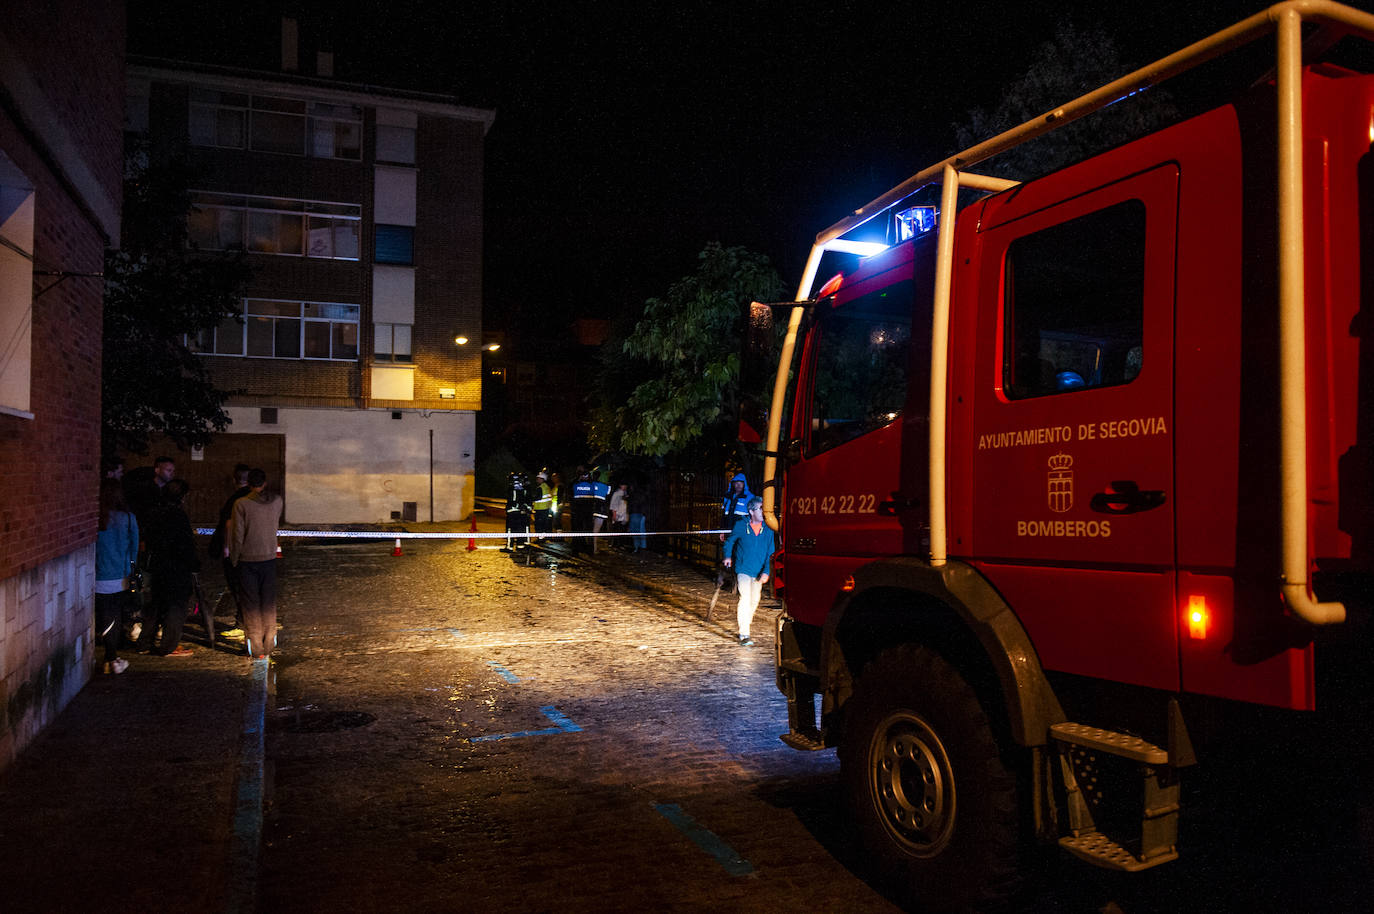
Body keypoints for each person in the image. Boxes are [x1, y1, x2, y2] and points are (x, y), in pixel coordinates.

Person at [136, 477, 199, 657]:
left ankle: (144, 642)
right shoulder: (179, 516)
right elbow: (186, 544)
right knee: (175, 607)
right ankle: (168, 646)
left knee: (155, 605)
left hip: (157, 565)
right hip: (176, 567)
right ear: (182, 497)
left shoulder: (154, 513)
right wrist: (194, 564)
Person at [229, 468, 284, 660]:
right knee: (268, 602)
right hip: (269, 557)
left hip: (247, 559)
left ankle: (255, 646)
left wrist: (234, 558)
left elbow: (237, 535)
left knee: (250, 604)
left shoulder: (241, 504)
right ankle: (270, 641)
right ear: (265, 482)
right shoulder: (277, 501)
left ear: (249, 484)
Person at [94, 478, 138, 674]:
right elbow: (134, 548)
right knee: (114, 615)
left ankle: (109, 657)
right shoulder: (128, 518)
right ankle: (112, 658)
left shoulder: (97, 518)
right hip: (120, 574)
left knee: (103, 614)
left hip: (98, 573)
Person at [722, 496, 775, 646]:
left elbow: (770, 552)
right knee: (745, 598)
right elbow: (730, 541)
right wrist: (727, 556)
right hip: (743, 568)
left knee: (754, 600)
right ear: (751, 511)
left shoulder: (768, 530)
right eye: (760, 508)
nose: (763, 512)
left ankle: (746, 625)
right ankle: (744, 633)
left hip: (758, 571)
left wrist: (766, 571)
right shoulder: (741, 525)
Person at [209, 464, 252, 635]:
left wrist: (226, 548)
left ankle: (242, 623)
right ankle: (245, 621)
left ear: (235, 480)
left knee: (237, 586)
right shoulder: (253, 498)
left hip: (236, 551)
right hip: (249, 549)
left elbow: (228, 524)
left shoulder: (235, 499)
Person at [627, 481, 649, 553]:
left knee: (635, 532)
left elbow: (631, 505)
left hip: (634, 513)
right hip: (641, 514)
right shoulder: (643, 494)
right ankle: (642, 547)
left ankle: (637, 548)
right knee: (641, 531)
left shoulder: (632, 495)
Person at [532, 470, 555, 535]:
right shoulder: (547, 487)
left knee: (539, 525)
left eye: (538, 479)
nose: (537, 480)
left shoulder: (540, 488)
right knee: (545, 524)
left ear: (542, 479)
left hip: (540, 509)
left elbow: (537, 498)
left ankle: (540, 539)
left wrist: (530, 498)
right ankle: (546, 537)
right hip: (546, 508)